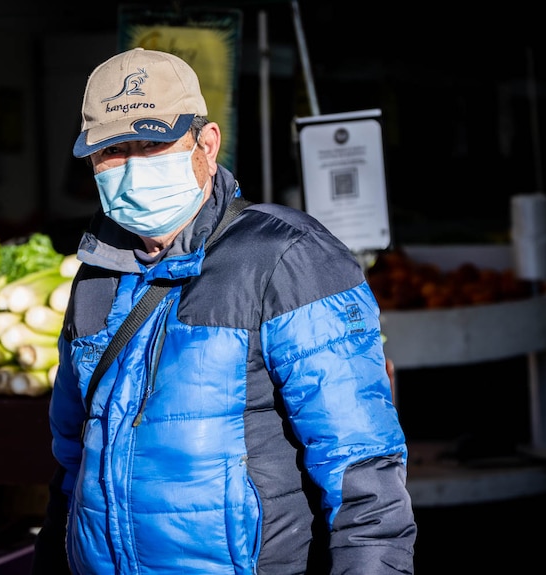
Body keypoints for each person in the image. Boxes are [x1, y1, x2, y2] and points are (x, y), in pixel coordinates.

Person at [32, 47, 416, 574]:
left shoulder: (288, 258)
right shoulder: (95, 279)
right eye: (112, 151)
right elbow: (72, 467)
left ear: (206, 144)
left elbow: (363, 480)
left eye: (152, 143)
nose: (133, 165)